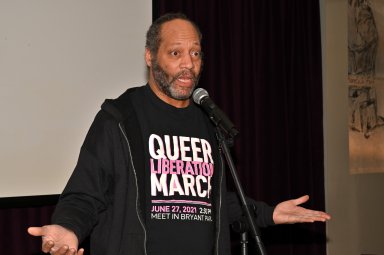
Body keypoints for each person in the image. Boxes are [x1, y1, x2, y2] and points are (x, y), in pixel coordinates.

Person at [28, 13, 331, 255]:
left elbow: (216, 202)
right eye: (176, 53)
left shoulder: (209, 121)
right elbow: (85, 194)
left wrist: (268, 213)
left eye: (196, 53)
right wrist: (68, 227)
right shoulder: (119, 118)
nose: (189, 64)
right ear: (150, 57)